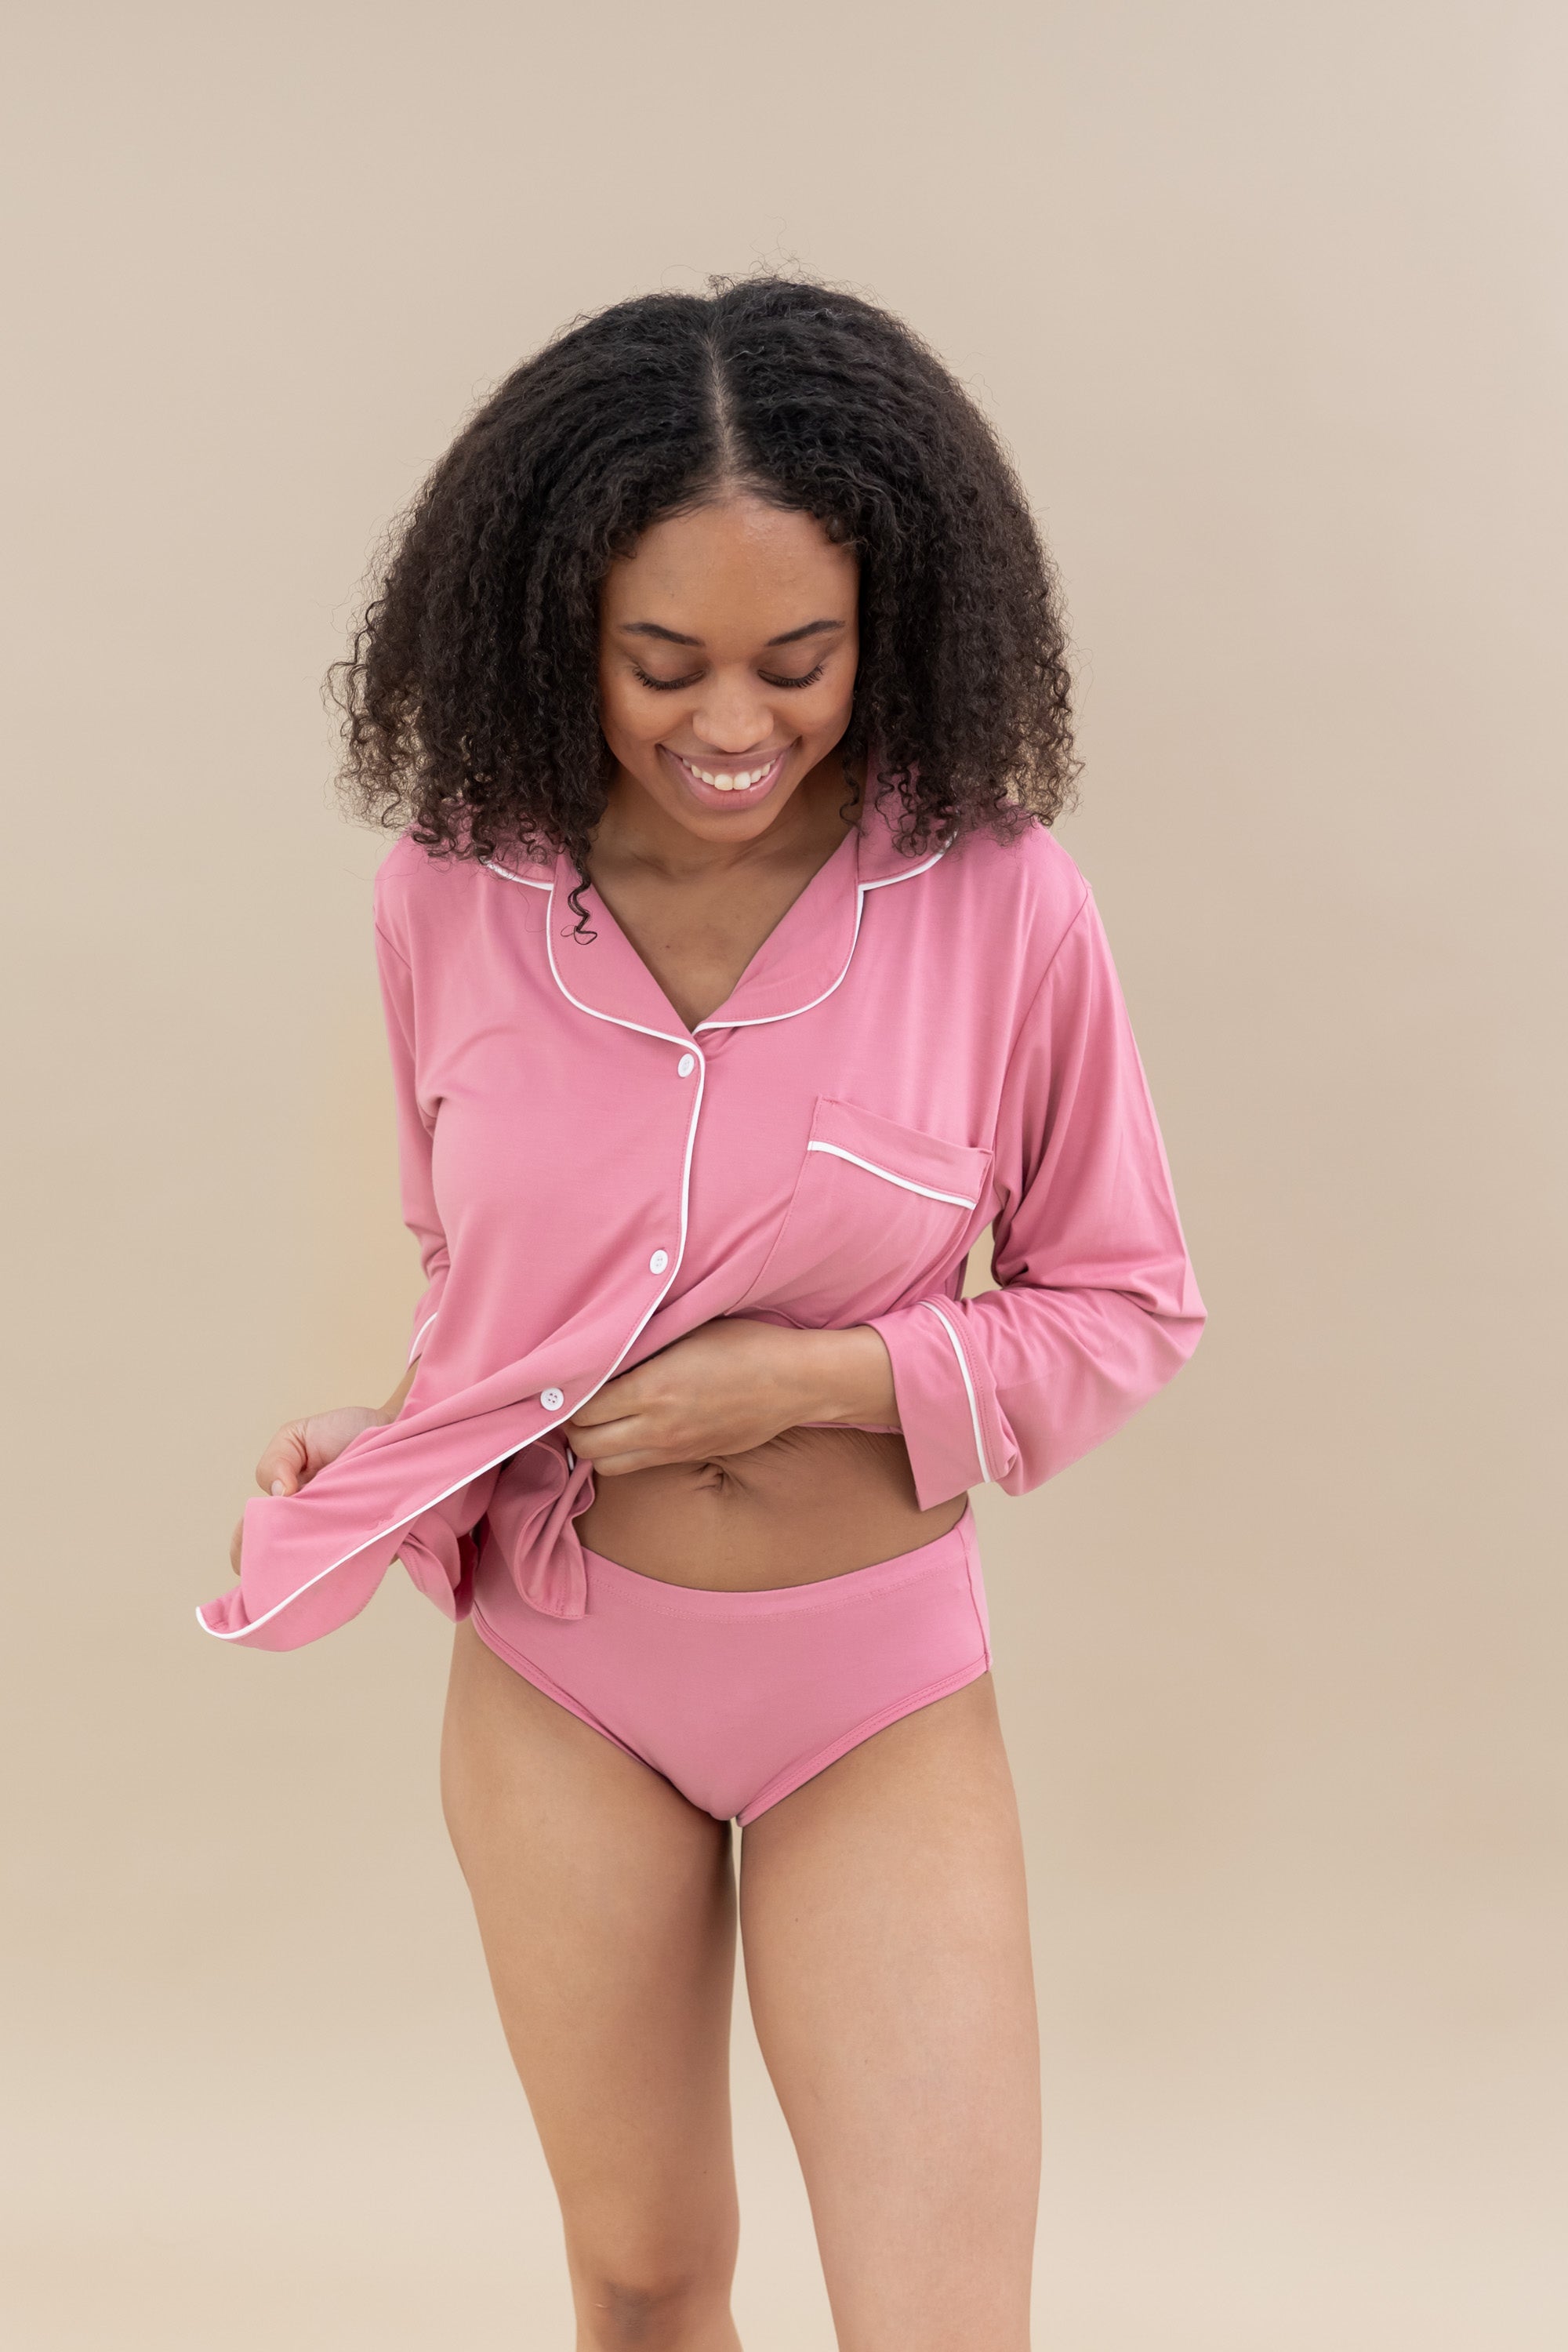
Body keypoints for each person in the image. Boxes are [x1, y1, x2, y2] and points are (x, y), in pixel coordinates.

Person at [205, 277, 1205, 2352]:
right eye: (662, 664)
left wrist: (824, 1379)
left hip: (873, 1690)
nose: (731, 724)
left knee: (942, 2324)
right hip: (561, 1681)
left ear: (890, 626)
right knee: (648, 2281)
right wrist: (409, 1435)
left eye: (797, 662)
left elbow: (1124, 1305)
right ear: (556, 625)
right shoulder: (446, 897)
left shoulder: (1003, 901)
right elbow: (482, 1275)